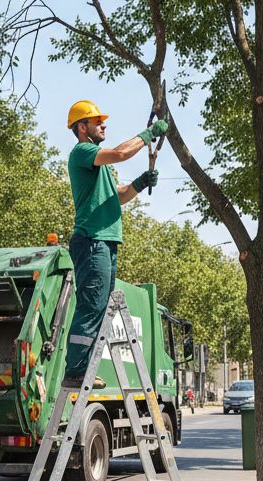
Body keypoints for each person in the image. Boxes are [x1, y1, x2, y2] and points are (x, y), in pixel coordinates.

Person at [62, 100, 168, 388]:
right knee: (91, 305)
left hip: (105, 242)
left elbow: (118, 196)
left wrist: (141, 182)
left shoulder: (99, 167)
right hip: (92, 241)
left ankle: (83, 368)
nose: (104, 125)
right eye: (98, 121)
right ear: (82, 128)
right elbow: (121, 153)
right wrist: (147, 135)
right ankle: (76, 370)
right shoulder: (83, 151)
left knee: (100, 307)